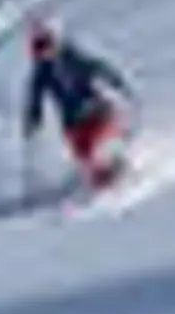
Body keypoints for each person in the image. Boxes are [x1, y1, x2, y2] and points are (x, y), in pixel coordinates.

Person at [22, 17, 134, 189]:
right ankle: (99, 177)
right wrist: (33, 122)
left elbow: (98, 67)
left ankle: (116, 160)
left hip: (96, 110)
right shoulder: (41, 72)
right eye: (37, 48)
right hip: (72, 123)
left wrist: (117, 83)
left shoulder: (72, 56)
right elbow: (35, 99)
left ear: (56, 40)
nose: (43, 54)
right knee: (84, 154)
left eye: (45, 45)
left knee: (103, 138)